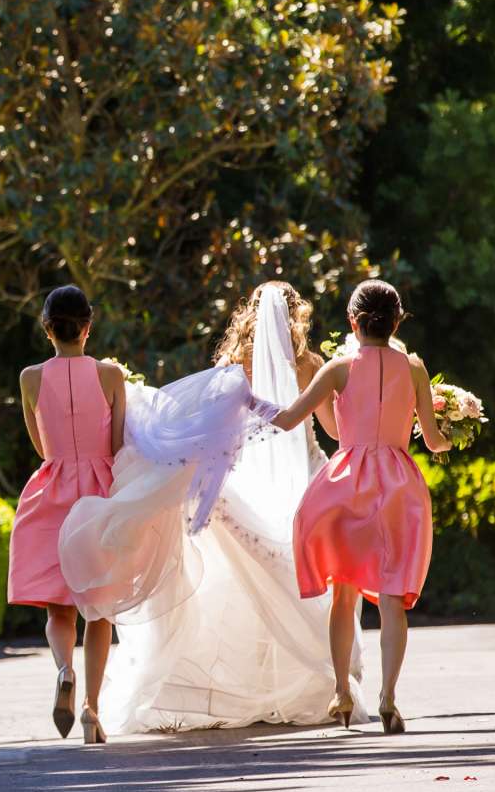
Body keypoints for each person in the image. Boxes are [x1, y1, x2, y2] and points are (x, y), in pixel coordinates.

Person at [57, 281, 354, 732]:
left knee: (233, 579)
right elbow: (332, 430)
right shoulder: (312, 365)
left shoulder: (233, 365)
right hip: (304, 478)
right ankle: (312, 680)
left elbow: (209, 429)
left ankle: (236, 682)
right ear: (296, 318)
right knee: (295, 574)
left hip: (242, 480)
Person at [266, 279, 451, 734]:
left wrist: (238, 406)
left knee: (343, 593)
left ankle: (342, 693)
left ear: (353, 322)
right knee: (392, 597)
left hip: (347, 486)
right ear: (397, 321)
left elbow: (290, 418)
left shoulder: (338, 368)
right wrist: (452, 433)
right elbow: (431, 440)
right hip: (399, 488)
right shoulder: (415, 370)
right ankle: (389, 696)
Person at [10, 285, 127, 743]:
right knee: (99, 612)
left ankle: (63, 669)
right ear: (88, 326)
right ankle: (92, 711)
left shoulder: (30, 377)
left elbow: (39, 443)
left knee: (59, 609)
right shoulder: (110, 375)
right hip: (98, 495)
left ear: (46, 327)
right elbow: (118, 445)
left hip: (51, 491)